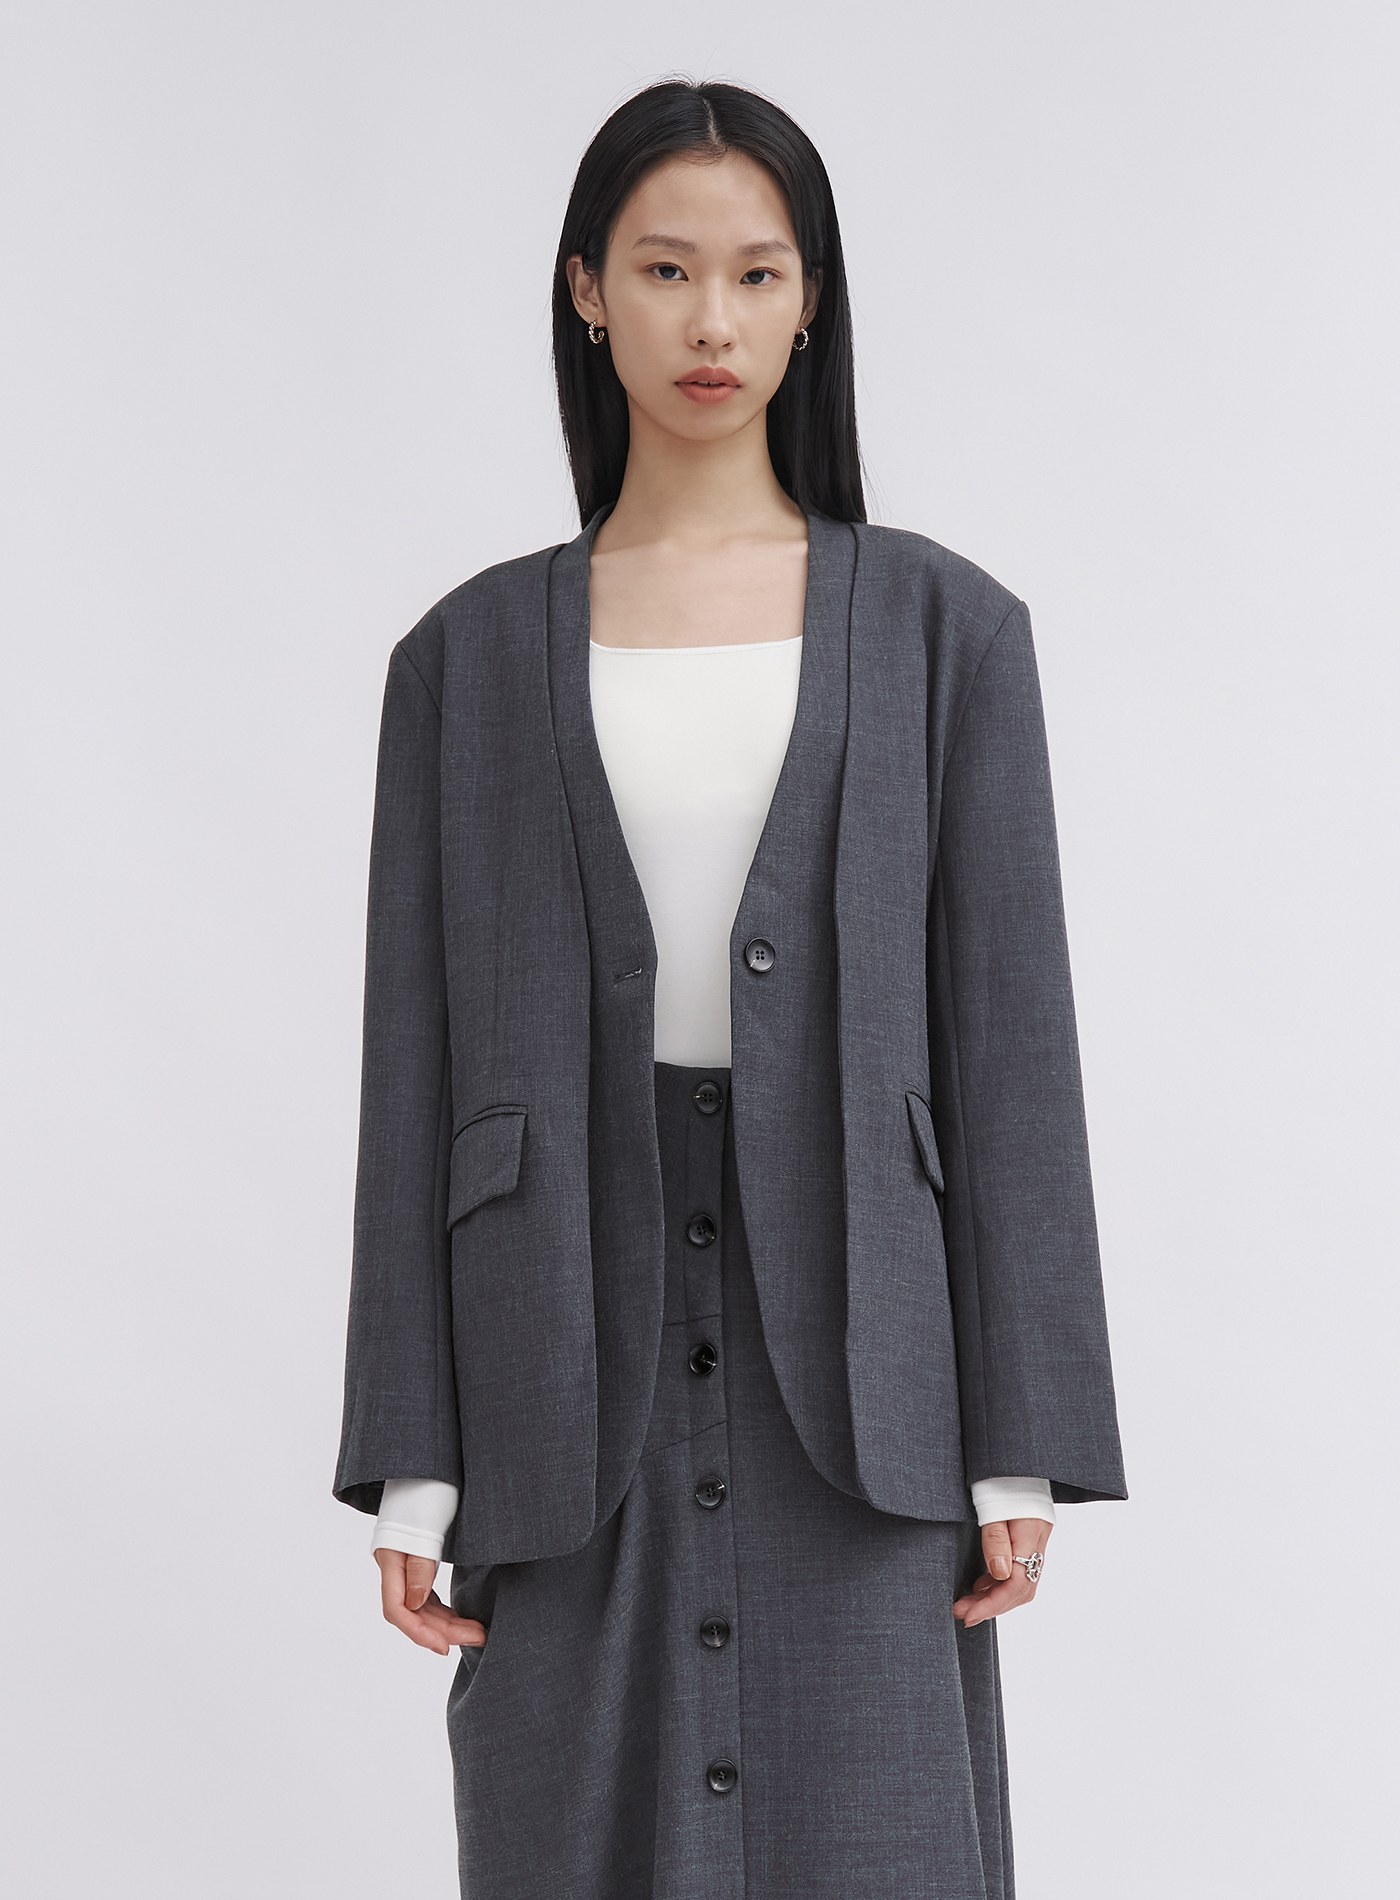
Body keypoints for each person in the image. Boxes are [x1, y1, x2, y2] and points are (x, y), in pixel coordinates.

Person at [333, 76, 1127, 1900]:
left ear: (811, 300)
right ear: (585, 290)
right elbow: (411, 1070)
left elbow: (1013, 1050)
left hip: (865, 1365)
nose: (713, 321)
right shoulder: (463, 660)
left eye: (759, 274)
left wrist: (1020, 1443)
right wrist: (412, 1458)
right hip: (553, 1359)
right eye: (666, 269)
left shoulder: (946, 634)